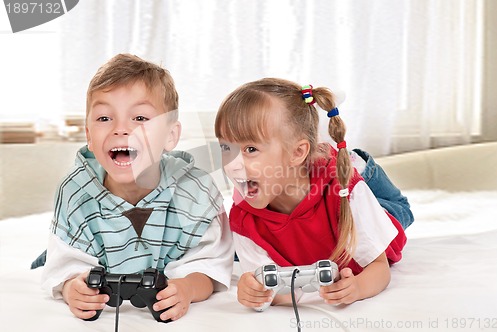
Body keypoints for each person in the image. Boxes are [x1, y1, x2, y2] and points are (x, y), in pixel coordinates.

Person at [40, 54, 233, 322]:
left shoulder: (195, 191)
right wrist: (74, 287)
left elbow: (211, 265)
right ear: (89, 137)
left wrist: (187, 288)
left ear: (170, 135)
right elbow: (66, 267)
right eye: (104, 118)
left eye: (140, 117)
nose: (121, 129)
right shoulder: (76, 193)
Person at [214, 78, 412, 308]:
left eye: (250, 149)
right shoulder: (243, 219)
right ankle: (316, 142)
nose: (232, 164)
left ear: (297, 152)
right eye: (226, 148)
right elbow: (272, 289)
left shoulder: (348, 192)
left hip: (354, 190)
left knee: (397, 215)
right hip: (304, 183)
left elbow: (379, 268)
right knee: (232, 251)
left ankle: (352, 160)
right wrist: (255, 293)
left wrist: (357, 288)